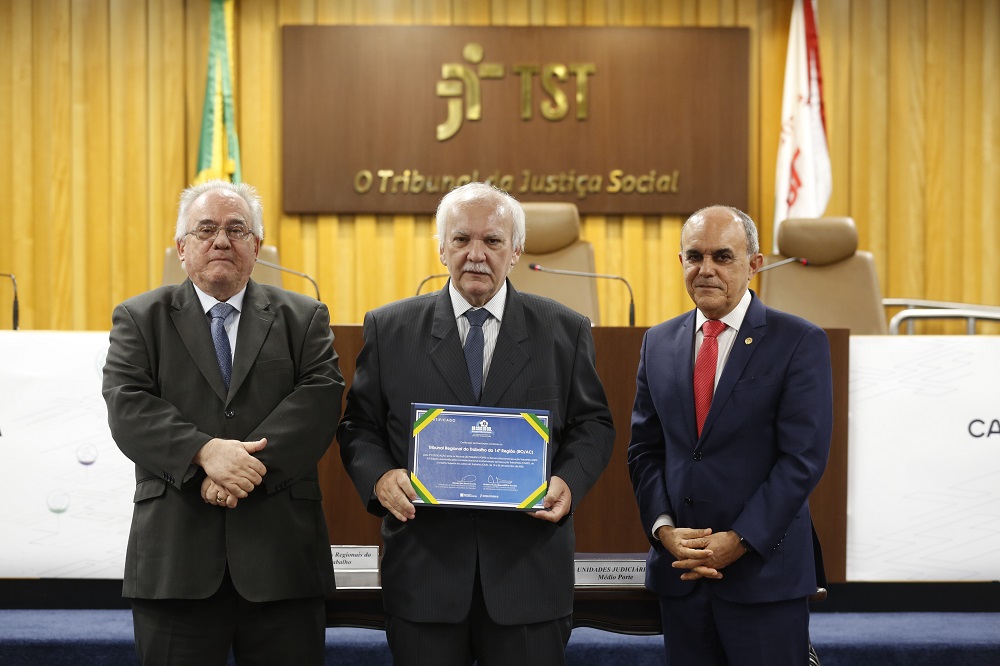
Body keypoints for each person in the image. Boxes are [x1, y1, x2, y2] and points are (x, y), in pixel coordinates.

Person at [337, 182, 615, 666]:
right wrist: (379, 477)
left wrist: (569, 481)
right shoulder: (390, 328)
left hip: (528, 577)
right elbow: (358, 426)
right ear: (441, 247)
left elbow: (594, 424)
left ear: (517, 250)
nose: (476, 255)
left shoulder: (563, 329)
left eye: (493, 241)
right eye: (462, 239)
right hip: (426, 575)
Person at [102, 180, 345, 665]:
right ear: (182, 247)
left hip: (283, 563)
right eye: (206, 229)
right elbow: (127, 404)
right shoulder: (139, 317)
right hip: (176, 563)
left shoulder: (304, 316)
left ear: (256, 246)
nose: (221, 241)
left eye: (237, 230)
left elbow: (321, 400)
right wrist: (204, 454)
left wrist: (239, 469)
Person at [627, 205, 832, 665]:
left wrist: (737, 540)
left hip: (764, 575)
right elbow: (644, 451)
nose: (706, 270)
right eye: (694, 256)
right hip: (683, 576)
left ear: (753, 264)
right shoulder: (657, 343)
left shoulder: (798, 341)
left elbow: (802, 460)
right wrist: (663, 531)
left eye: (723, 256)